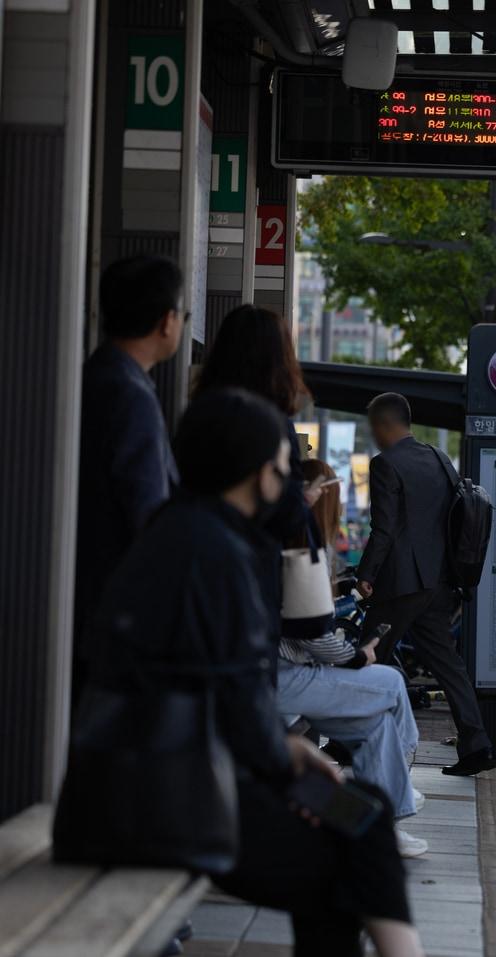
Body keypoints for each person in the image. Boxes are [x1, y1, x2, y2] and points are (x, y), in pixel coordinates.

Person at [58, 388, 423, 957]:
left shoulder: (173, 532)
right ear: (260, 475)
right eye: (284, 468)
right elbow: (237, 709)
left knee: (357, 823)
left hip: (133, 788)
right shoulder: (221, 555)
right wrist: (287, 763)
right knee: (362, 825)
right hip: (173, 805)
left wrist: (292, 755)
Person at [278, 458, 427, 858]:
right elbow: (311, 632)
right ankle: (402, 779)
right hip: (285, 677)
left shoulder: (288, 539)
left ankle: (386, 826)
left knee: (377, 726)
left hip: (283, 675)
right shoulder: (300, 544)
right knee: (392, 683)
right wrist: (357, 658)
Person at [357, 393, 495, 777]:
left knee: (366, 657)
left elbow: (383, 529)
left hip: (401, 586)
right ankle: (477, 744)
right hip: (439, 583)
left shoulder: (386, 464)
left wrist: (365, 574)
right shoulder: (438, 458)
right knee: (449, 667)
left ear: (384, 425)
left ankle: (352, 739)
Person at [74, 256, 184, 671]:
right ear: (166, 321)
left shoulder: (97, 374)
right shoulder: (131, 395)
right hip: (112, 609)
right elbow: (148, 517)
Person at [192, 304, 324, 547]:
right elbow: (288, 515)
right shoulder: (274, 427)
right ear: (279, 360)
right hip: (251, 561)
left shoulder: (200, 413)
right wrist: (303, 500)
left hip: (196, 547)